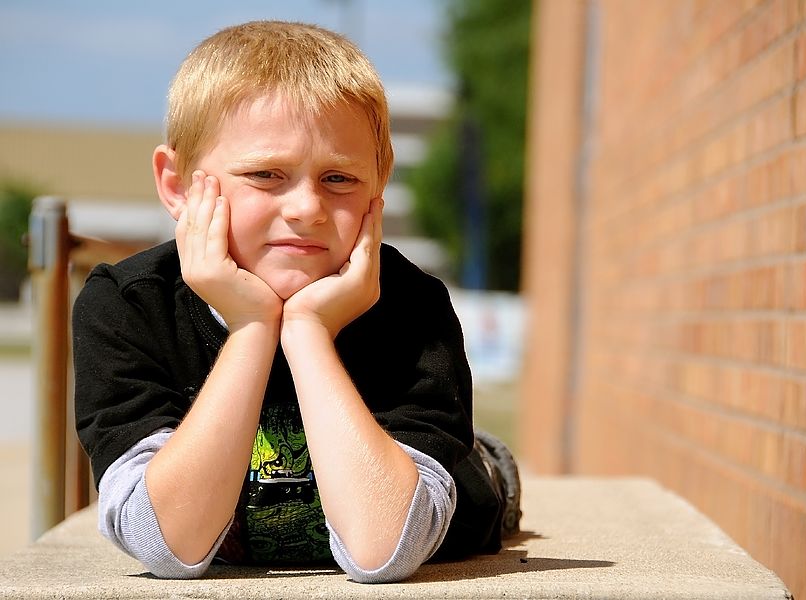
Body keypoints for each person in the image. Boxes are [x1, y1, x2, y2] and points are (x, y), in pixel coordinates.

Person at [73, 20, 519, 584]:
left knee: (478, 481)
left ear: (377, 191)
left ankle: (486, 459)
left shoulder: (413, 306)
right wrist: (252, 328)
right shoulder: (128, 305)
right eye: (265, 174)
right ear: (178, 185)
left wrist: (306, 331)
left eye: (338, 178)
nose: (307, 208)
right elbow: (169, 546)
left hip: (445, 509)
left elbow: (386, 550)